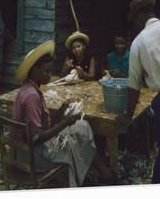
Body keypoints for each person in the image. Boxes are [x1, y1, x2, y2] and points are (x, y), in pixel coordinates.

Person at [12, 41, 111, 186]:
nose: (50, 75)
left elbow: (43, 124)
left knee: (82, 126)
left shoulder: (28, 89)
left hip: (29, 147)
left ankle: (94, 173)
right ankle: (81, 179)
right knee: (78, 140)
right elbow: (36, 138)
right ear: (34, 71)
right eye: (46, 71)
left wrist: (62, 109)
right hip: (32, 155)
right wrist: (65, 122)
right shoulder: (32, 96)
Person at [120, 0, 160, 184]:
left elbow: (133, 86)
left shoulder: (138, 42)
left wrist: (127, 116)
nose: (134, 25)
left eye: (134, 20)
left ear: (140, 16)